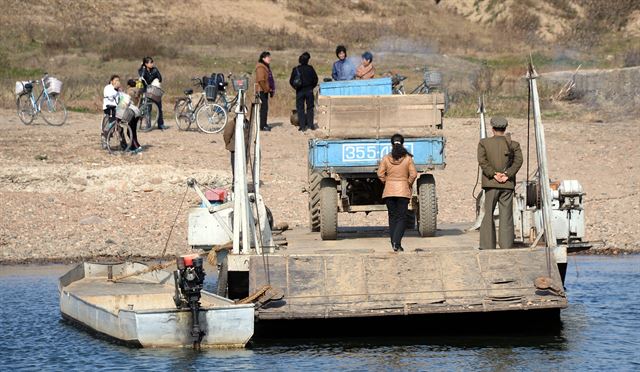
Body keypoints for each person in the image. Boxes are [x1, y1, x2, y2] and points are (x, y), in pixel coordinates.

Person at [477, 116, 523, 250]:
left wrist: (494, 174)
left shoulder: (484, 143)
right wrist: (507, 175)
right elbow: (518, 161)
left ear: (492, 129)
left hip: (491, 184)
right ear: (505, 128)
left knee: (488, 214)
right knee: (506, 215)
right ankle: (506, 245)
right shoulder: (514, 144)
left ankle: (487, 245)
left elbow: (482, 161)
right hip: (507, 185)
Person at [377, 134, 417, 252]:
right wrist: (407, 183)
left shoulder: (386, 158)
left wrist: (387, 182)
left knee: (392, 217)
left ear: (391, 144)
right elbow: (413, 174)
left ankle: (394, 243)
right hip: (402, 192)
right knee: (402, 218)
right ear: (403, 143)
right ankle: (397, 242)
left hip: (389, 192)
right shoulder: (408, 159)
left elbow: (380, 173)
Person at [289, 52, 318, 132]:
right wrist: (311, 87)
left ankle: (302, 126)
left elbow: (291, 81)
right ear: (307, 60)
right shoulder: (310, 68)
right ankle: (310, 125)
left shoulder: (296, 69)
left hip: (299, 91)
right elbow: (316, 79)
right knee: (310, 108)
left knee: (300, 109)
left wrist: (296, 88)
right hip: (309, 91)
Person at [137, 56, 165, 129]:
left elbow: (160, 78)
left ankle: (161, 124)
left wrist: (156, 80)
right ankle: (148, 125)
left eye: (152, 62)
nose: (152, 64)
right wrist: (143, 68)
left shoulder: (155, 70)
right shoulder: (142, 70)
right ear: (146, 64)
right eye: (150, 62)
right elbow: (141, 76)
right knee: (147, 108)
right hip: (146, 90)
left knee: (159, 107)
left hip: (154, 90)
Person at [255, 51, 274, 131]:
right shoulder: (260, 67)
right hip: (261, 90)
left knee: (265, 108)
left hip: (264, 90)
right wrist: (266, 89)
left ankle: (264, 124)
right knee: (263, 108)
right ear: (263, 58)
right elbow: (261, 80)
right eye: (268, 57)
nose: (269, 59)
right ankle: (262, 125)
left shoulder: (265, 66)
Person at [102, 74, 120, 149]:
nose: (117, 82)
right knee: (107, 125)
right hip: (108, 108)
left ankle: (123, 143)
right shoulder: (108, 88)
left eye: (118, 80)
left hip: (116, 108)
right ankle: (105, 140)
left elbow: (120, 97)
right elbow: (109, 96)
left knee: (118, 125)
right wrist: (115, 89)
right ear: (111, 81)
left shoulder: (118, 89)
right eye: (116, 80)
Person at [125, 79, 142, 152]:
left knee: (129, 132)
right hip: (137, 112)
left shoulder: (129, 91)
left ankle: (136, 147)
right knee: (133, 131)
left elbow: (125, 102)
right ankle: (134, 146)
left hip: (132, 112)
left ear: (128, 85)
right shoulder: (137, 91)